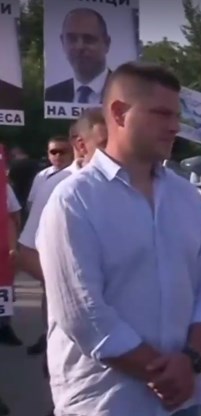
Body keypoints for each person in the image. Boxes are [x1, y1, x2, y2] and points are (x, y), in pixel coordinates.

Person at [35, 62, 201, 415]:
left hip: (184, 401)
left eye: (177, 115)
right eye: (162, 114)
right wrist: (164, 374)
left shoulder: (187, 197)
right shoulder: (74, 200)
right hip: (108, 402)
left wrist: (189, 360)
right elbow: (82, 312)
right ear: (120, 113)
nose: (175, 126)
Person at [19, 109, 107, 358]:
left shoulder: (142, 185)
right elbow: (27, 252)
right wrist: (65, 287)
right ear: (81, 145)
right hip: (76, 343)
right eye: (104, 144)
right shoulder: (56, 186)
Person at [45, 8, 112, 103]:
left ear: (107, 44)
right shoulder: (50, 96)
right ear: (62, 42)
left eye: (89, 39)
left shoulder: (127, 91)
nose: (79, 47)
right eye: (72, 39)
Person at [0, 183, 21, 347]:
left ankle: (3, 327)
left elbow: (13, 218)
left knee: (4, 288)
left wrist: (13, 247)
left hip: (3, 249)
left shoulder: (4, 188)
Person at [27, 136, 73, 209]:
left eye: (63, 152)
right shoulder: (42, 175)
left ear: (72, 152)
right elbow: (32, 202)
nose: (58, 155)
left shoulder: (79, 174)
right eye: (53, 152)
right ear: (48, 154)